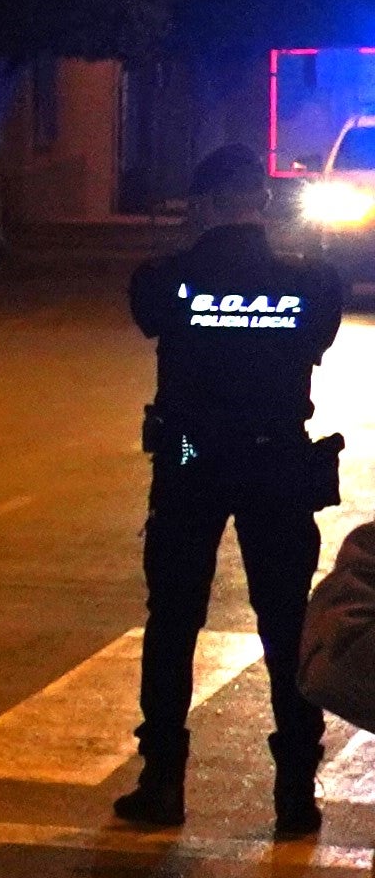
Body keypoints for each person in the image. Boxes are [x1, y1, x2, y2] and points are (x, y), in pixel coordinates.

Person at [121, 146, 343, 839]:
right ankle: (295, 794)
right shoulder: (311, 282)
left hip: (192, 455)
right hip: (275, 457)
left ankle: (162, 783)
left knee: (173, 619)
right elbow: (319, 336)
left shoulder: (165, 277)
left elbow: (150, 315)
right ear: (265, 203)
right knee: (285, 624)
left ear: (201, 205)